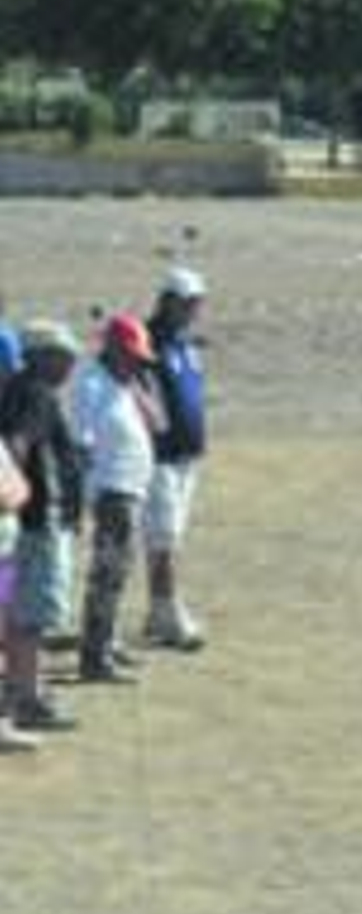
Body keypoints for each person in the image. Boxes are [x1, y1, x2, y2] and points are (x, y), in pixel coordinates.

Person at [0, 320, 84, 735]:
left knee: (13, 612)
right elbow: (19, 445)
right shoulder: (35, 393)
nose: (70, 363)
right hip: (31, 526)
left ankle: (19, 690)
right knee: (28, 615)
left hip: (19, 525)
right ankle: (26, 697)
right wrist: (17, 492)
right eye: (62, 354)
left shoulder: (18, 391)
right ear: (38, 356)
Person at [73, 312, 160, 685]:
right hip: (111, 492)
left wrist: (139, 381)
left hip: (130, 490)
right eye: (131, 356)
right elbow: (83, 442)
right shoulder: (92, 385)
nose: (136, 363)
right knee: (107, 574)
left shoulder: (122, 383)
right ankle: (95, 655)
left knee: (119, 574)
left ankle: (106, 642)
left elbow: (160, 423)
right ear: (111, 350)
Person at [143, 266, 209, 651]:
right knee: (163, 538)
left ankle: (157, 610)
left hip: (186, 456)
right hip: (159, 457)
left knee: (169, 538)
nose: (193, 310)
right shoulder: (147, 342)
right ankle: (171, 615)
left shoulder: (184, 342)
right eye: (187, 302)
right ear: (166, 301)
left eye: (197, 302)